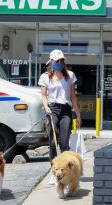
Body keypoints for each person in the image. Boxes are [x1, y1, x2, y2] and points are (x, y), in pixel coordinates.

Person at [38, 49, 81, 184]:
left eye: (62, 60)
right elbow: (44, 96)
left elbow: (73, 97)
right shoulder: (45, 77)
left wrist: (78, 114)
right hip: (52, 109)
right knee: (52, 140)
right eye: (58, 61)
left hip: (66, 109)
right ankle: (53, 170)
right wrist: (46, 108)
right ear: (51, 62)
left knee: (63, 143)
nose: (60, 62)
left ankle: (64, 172)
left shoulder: (70, 76)